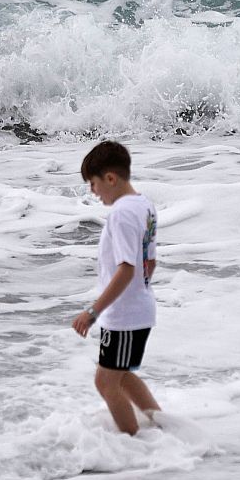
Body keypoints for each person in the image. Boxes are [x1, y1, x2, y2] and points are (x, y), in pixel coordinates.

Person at [71, 140, 161, 435]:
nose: (92, 192)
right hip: (139, 309)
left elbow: (126, 269)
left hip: (124, 315)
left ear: (110, 178)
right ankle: (162, 428)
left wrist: (93, 312)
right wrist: (141, 293)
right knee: (121, 377)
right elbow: (150, 262)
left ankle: (134, 443)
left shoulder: (122, 213)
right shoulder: (144, 205)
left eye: (93, 184)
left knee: (106, 382)